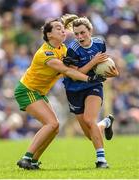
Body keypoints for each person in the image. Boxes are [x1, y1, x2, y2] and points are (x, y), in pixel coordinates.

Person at [14, 18, 104, 170]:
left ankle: (33, 161)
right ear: (49, 35)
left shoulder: (62, 49)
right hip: (27, 91)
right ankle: (26, 157)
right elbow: (68, 71)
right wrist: (90, 78)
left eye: (63, 28)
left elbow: (73, 66)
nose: (62, 30)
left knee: (54, 128)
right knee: (52, 124)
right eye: (57, 28)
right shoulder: (45, 53)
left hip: (39, 92)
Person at [61, 14, 119, 168]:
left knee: (89, 120)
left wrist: (113, 72)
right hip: (74, 89)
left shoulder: (100, 43)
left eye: (83, 33)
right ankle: (106, 123)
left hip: (93, 85)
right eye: (77, 34)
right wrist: (93, 61)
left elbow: (104, 66)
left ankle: (102, 161)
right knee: (90, 134)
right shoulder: (72, 50)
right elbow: (76, 75)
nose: (80, 36)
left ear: (90, 31)